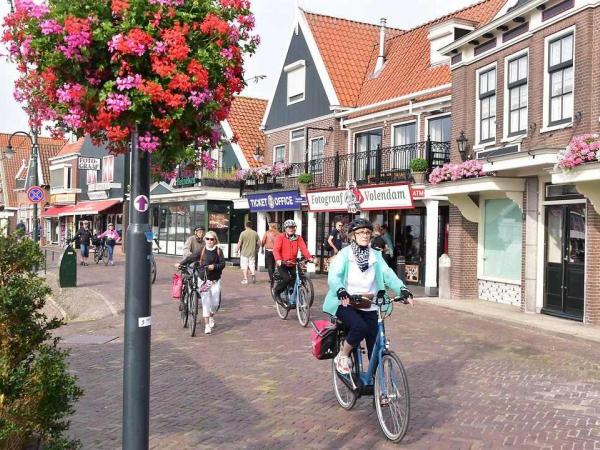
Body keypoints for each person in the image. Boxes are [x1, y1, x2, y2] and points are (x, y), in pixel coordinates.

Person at [323, 218, 412, 376]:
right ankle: (342, 355)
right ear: (353, 236)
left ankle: (379, 388)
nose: (365, 235)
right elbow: (334, 276)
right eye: (361, 232)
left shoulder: (375, 256)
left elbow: (388, 274)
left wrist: (402, 289)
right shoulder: (345, 254)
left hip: (370, 303)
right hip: (345, 302)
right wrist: (340, 290)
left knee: (375, 344)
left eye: (368, 232)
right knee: (360, 327)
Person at [179, 230, 225, 334]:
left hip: (215, 280)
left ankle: (211, 315)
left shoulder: (218, 251)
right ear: (205, 240)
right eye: (207, 239)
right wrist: (181, 263)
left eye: (211, 239)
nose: (209, 241)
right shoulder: (202, 250)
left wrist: (215, 266)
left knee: (215, 303)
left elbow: (222, 264)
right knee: (206, 302)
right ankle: (207, 325)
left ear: (215, 240)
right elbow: (191, 258)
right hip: (203, 279)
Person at [272, 219, 313, 304]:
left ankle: (292, 293)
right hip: (283, 263)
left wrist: (309, 257)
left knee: (297, 277)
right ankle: (277, 292)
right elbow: (276, 250)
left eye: (293, 227)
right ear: (285, 229)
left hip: (293, 263)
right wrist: (278, 259)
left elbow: (303, 249)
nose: (291, 229)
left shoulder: (298, 238)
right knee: (286, 279)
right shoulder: (280, 237)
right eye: (289, 227)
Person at [261, 222, 280, 287]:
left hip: (268, 250)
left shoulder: (267, 233)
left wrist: (262, 247)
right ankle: (273, 276)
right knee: (274, 264)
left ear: (270, 227)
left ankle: (271, 278)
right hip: (276, 251)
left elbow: (263, 241)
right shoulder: (278, 233)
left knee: (269, 265)